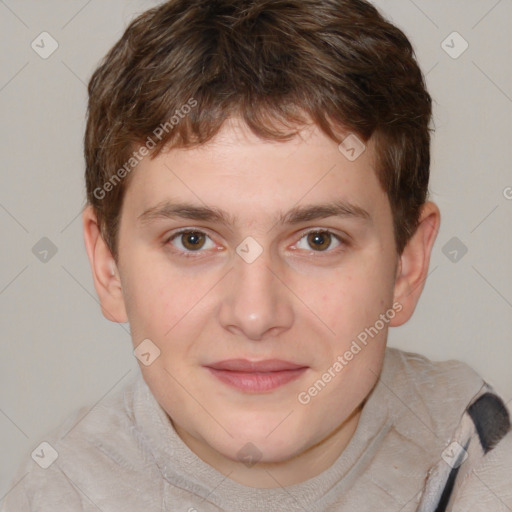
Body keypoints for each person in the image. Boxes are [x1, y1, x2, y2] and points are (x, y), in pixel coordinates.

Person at [2, 0, 510, 510]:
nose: (254, 314)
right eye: (192, 240)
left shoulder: (476, 448)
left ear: (407, 266)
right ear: (108, 267)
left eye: (318, 240)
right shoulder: (62, 494)